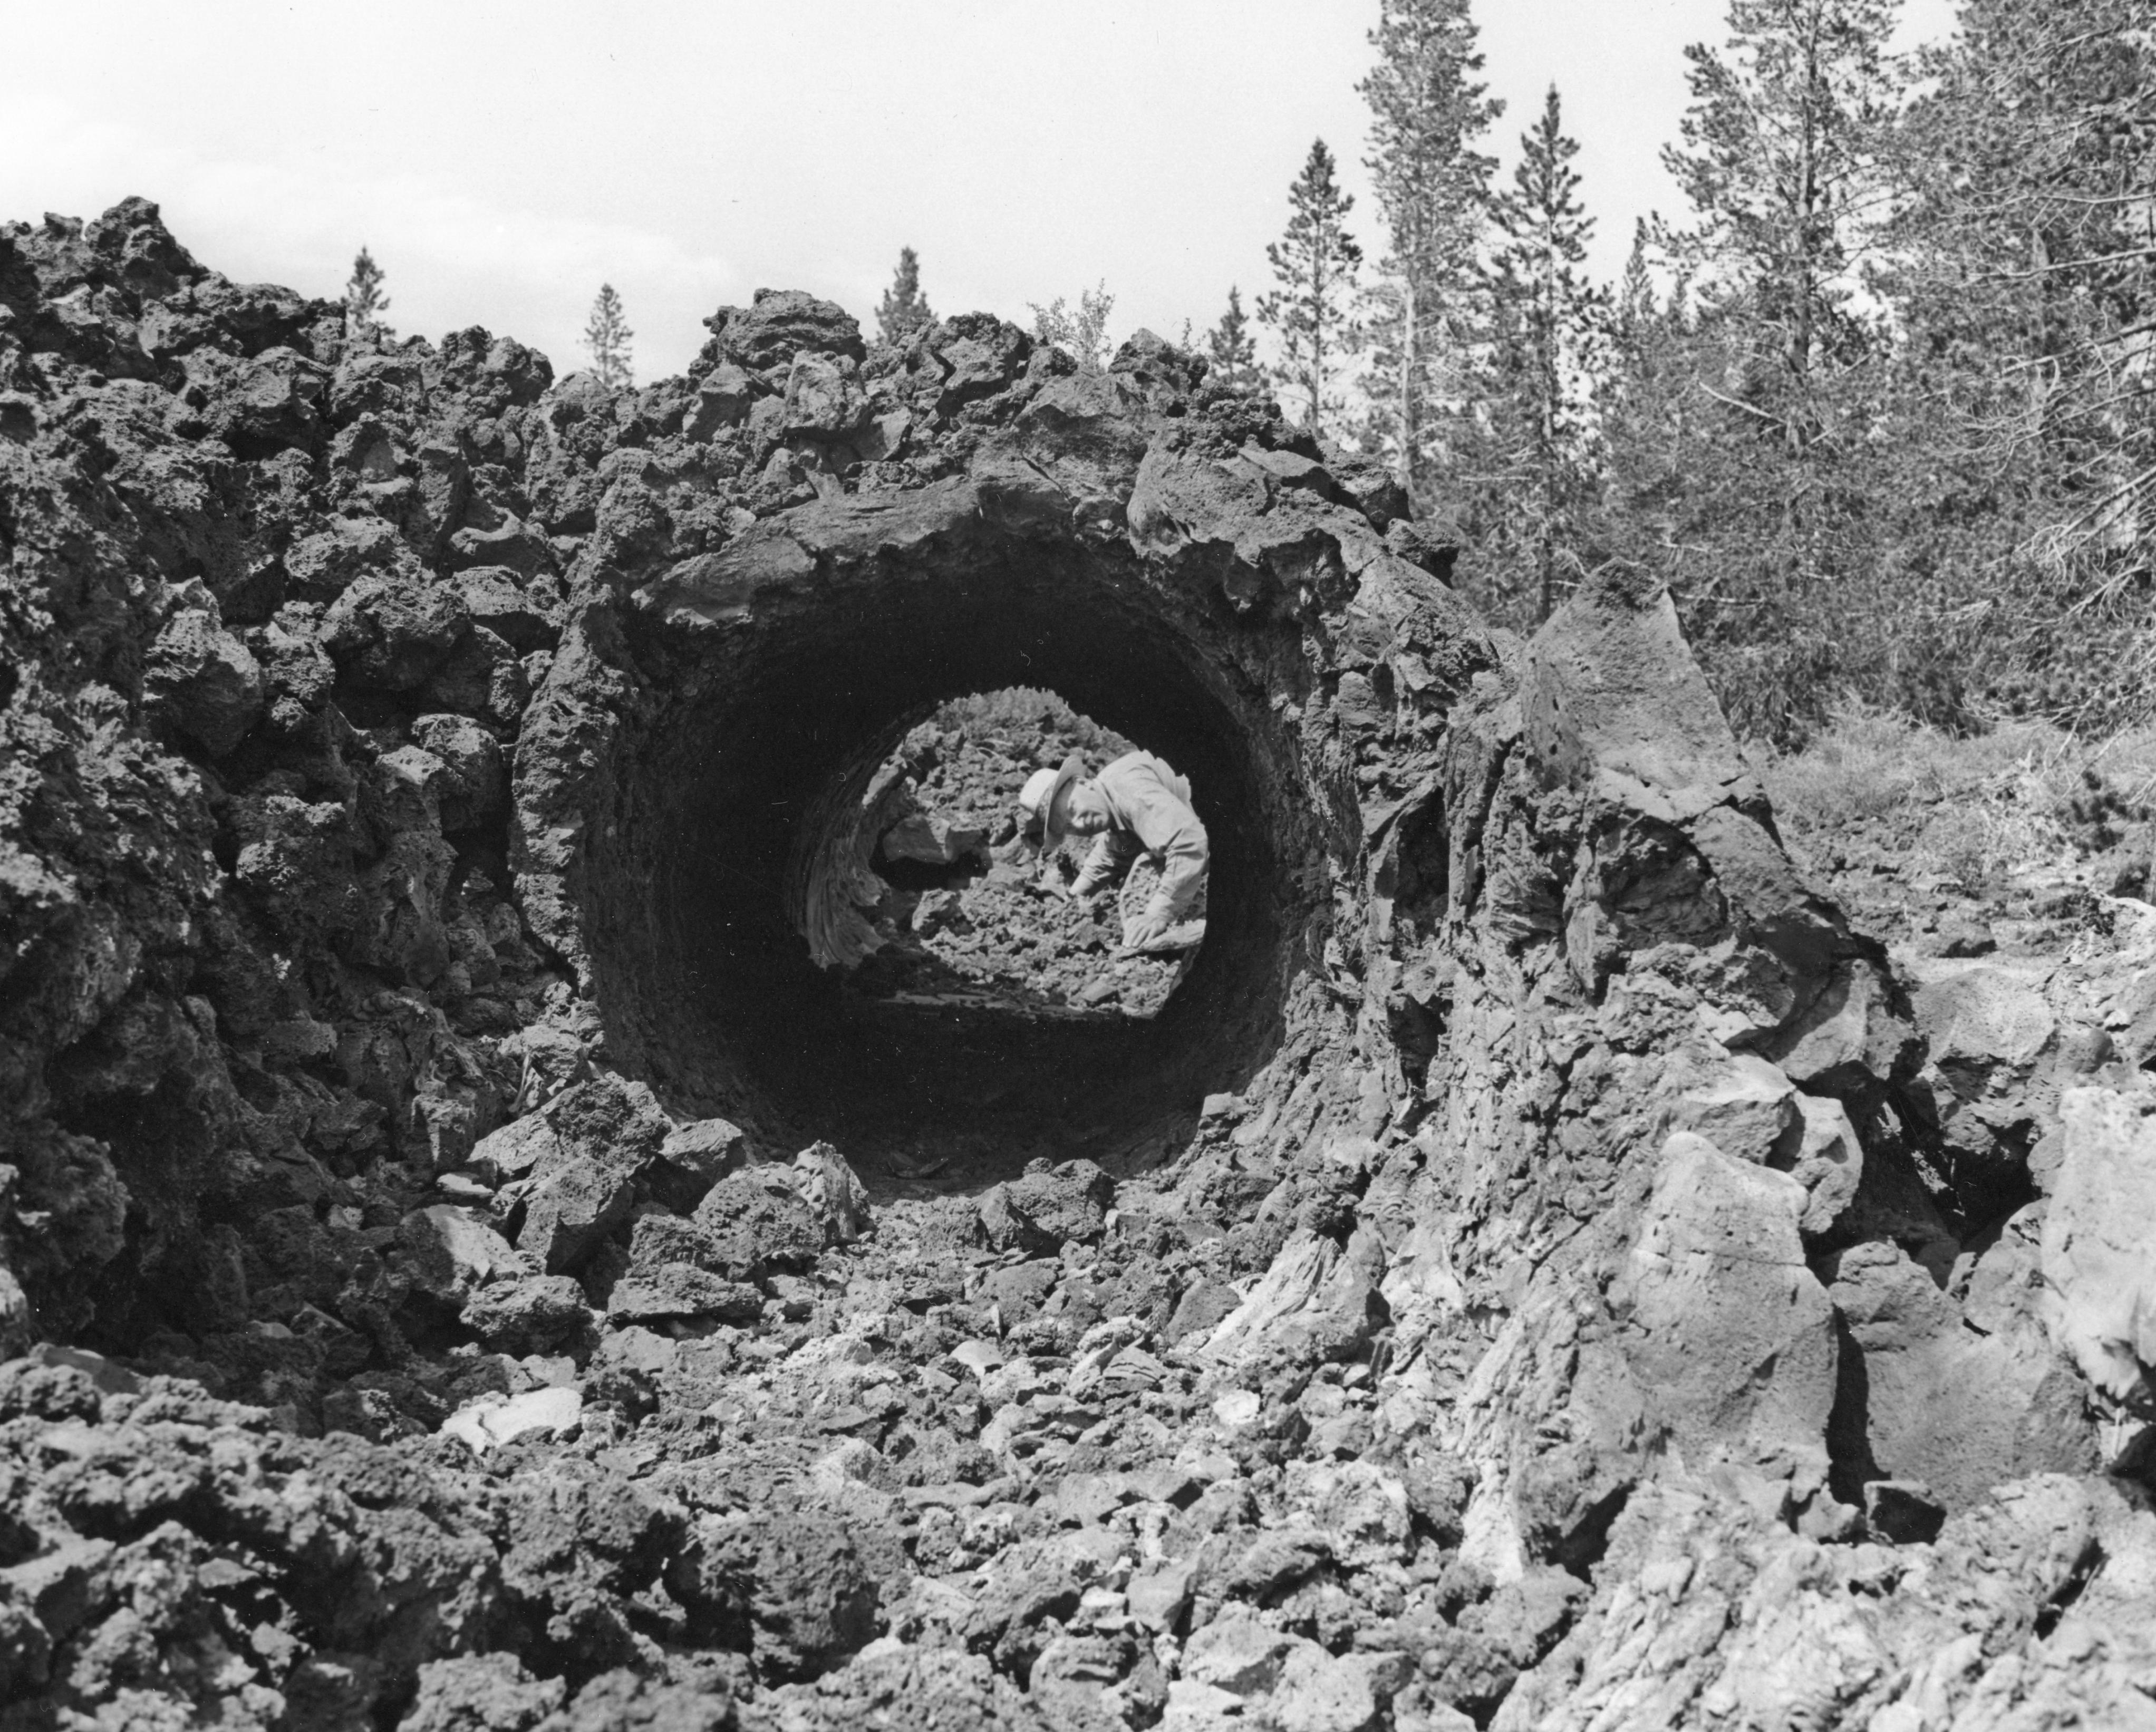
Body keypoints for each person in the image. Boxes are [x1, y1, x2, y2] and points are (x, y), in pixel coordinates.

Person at [1017, 749, 1208, 948]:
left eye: (1073, 809)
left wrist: (1158, 914)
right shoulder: (1109, 798)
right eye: (1069, 827)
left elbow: (1187, 841)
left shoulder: (1127, 788)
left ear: (1082, 783)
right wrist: (1072, 900)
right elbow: (1115, 853)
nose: (1080, 825)